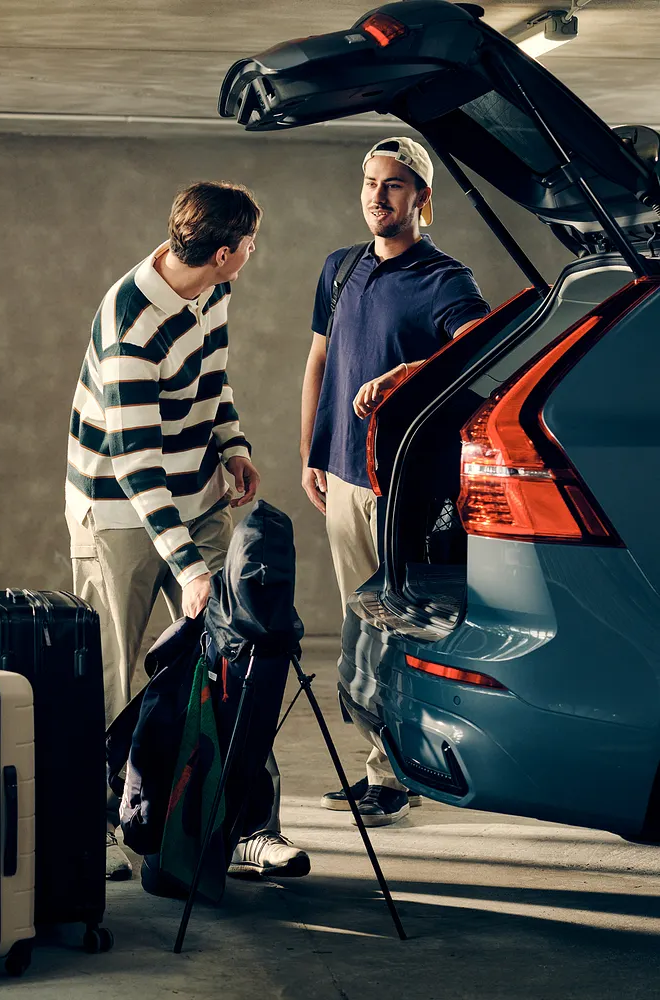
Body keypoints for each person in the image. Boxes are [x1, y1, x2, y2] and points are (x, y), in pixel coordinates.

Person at [66, 181, 309, 879]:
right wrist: (192, 569)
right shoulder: (132, 323)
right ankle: (98, 829)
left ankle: (247, 827)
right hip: (119, 509)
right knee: (113, 675)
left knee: (237, 660)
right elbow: (135, 463)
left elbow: (212, 377)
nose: (254, 253)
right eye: (251, 244)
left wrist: (232, 444)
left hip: (198, 496)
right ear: (226, 252)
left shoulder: (213, 289)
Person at [300, 138, 491, 827]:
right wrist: (312, 450)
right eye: (371, 183)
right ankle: (382, 766)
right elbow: (320, 361)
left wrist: (409, 374)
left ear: (422, 198)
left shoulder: (445, 278)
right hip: (343, 475)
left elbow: (481, 354)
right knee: (360, 629)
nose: (378, 197)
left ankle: (398, 774)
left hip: (402, 486)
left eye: (395, 185)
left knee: (399, 630)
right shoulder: (341, 268)